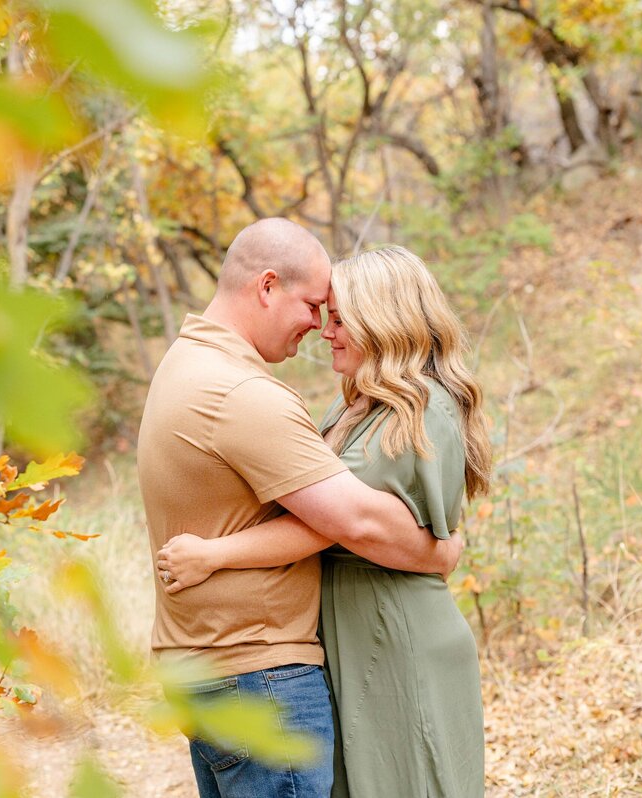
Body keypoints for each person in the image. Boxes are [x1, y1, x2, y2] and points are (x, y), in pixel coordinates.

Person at [137, 221, 463, 798]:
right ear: (266, 287)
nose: (318, 327)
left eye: (333, 315)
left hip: (227, 667)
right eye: (315, 306)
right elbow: (352, 519)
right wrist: (440, 550)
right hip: (257, 674)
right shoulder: (238, 393)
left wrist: (215, 554)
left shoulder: (187, 365)